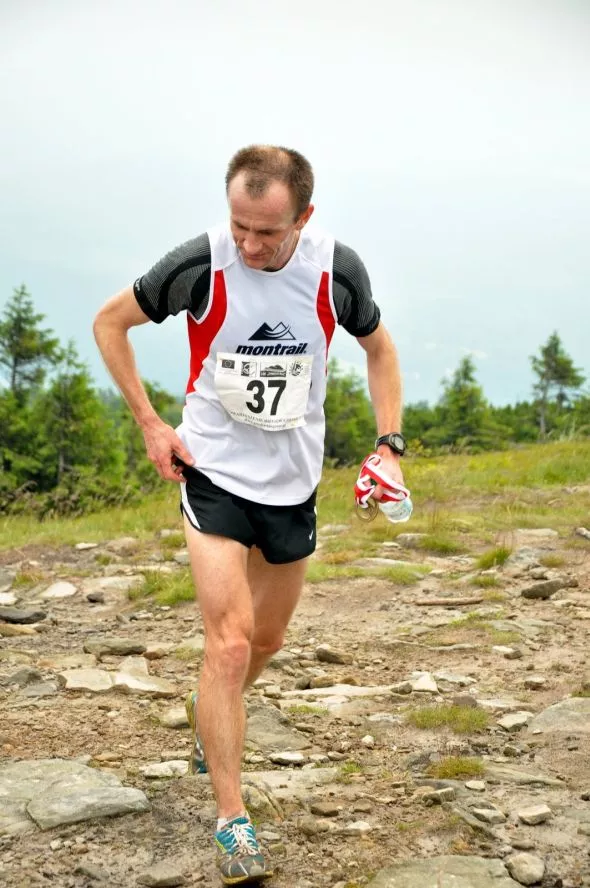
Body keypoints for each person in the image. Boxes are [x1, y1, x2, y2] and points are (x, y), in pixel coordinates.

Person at [93, 145, 406, 885]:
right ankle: (233, 820)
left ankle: (211, 710)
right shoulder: (200, 265)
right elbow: (110, 323)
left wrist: (389, 447)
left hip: (292, 485)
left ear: (304, 217)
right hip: (213, 472)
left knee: (266, 641)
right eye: (240, 225)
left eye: (267, 231)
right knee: (229, 645)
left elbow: (380, 351)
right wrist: (151, 424)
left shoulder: (336, 271)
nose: (250, 244)